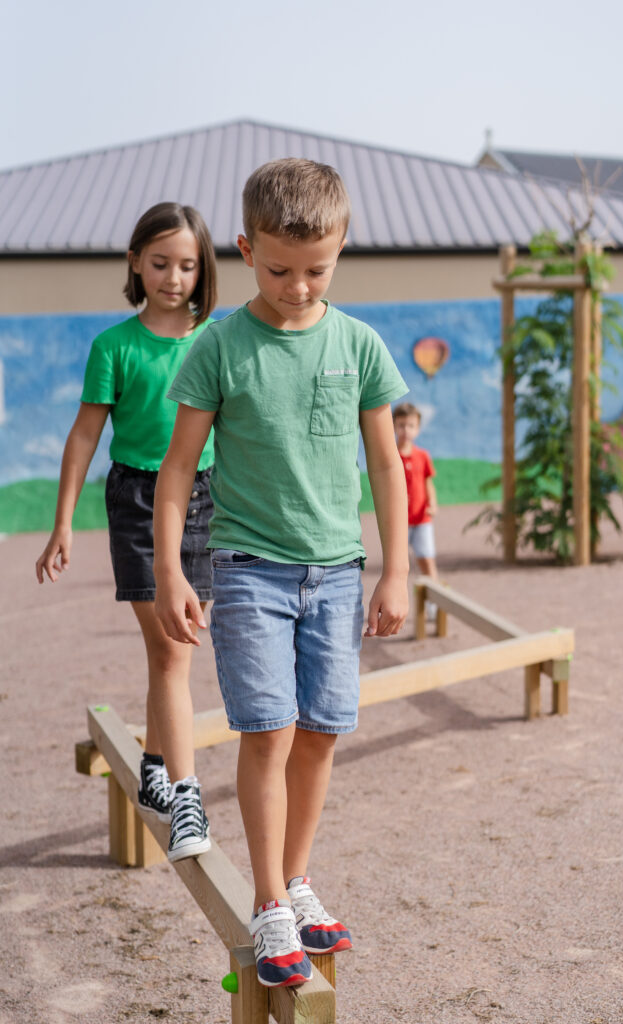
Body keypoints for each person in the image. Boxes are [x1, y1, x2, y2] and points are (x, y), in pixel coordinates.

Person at [153, 158, 410, 988]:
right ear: (244, 250)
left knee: (322, 731)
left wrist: (395, 571)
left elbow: (385, 465)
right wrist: (170, 571)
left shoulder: (359, 345)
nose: (297, 288)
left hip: (336, 574)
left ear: (340, 251)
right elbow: (178, 469)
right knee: (266, 730)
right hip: (248, 570)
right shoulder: (220, 346)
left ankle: (296, 880)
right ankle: (267, 902)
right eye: (277, 271)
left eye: (316, 271)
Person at [35, 202, 217, 863]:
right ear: (135, 262)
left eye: (187, 265)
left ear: (203, 270)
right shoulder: (113, 346)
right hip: (137, 501)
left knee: (172, 654)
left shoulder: (215, 339)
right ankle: (187, 795)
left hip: (205, 498)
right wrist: (63, 523)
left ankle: (155, 768)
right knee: (172, 649)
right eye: (160, 263)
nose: (174, 278)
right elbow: (84, 436)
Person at [392, 402, 439, 606]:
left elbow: (428, 483)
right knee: (398, 566)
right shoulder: (390, 457)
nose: (406, 430)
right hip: (398, 521)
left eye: (411, 425)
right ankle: (397, 605)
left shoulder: (423, 456)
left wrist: (433, 503)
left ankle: (434, 604)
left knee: (427, 560)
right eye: (401, 425)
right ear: (394, 426)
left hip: (421, 519)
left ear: (418, 428)